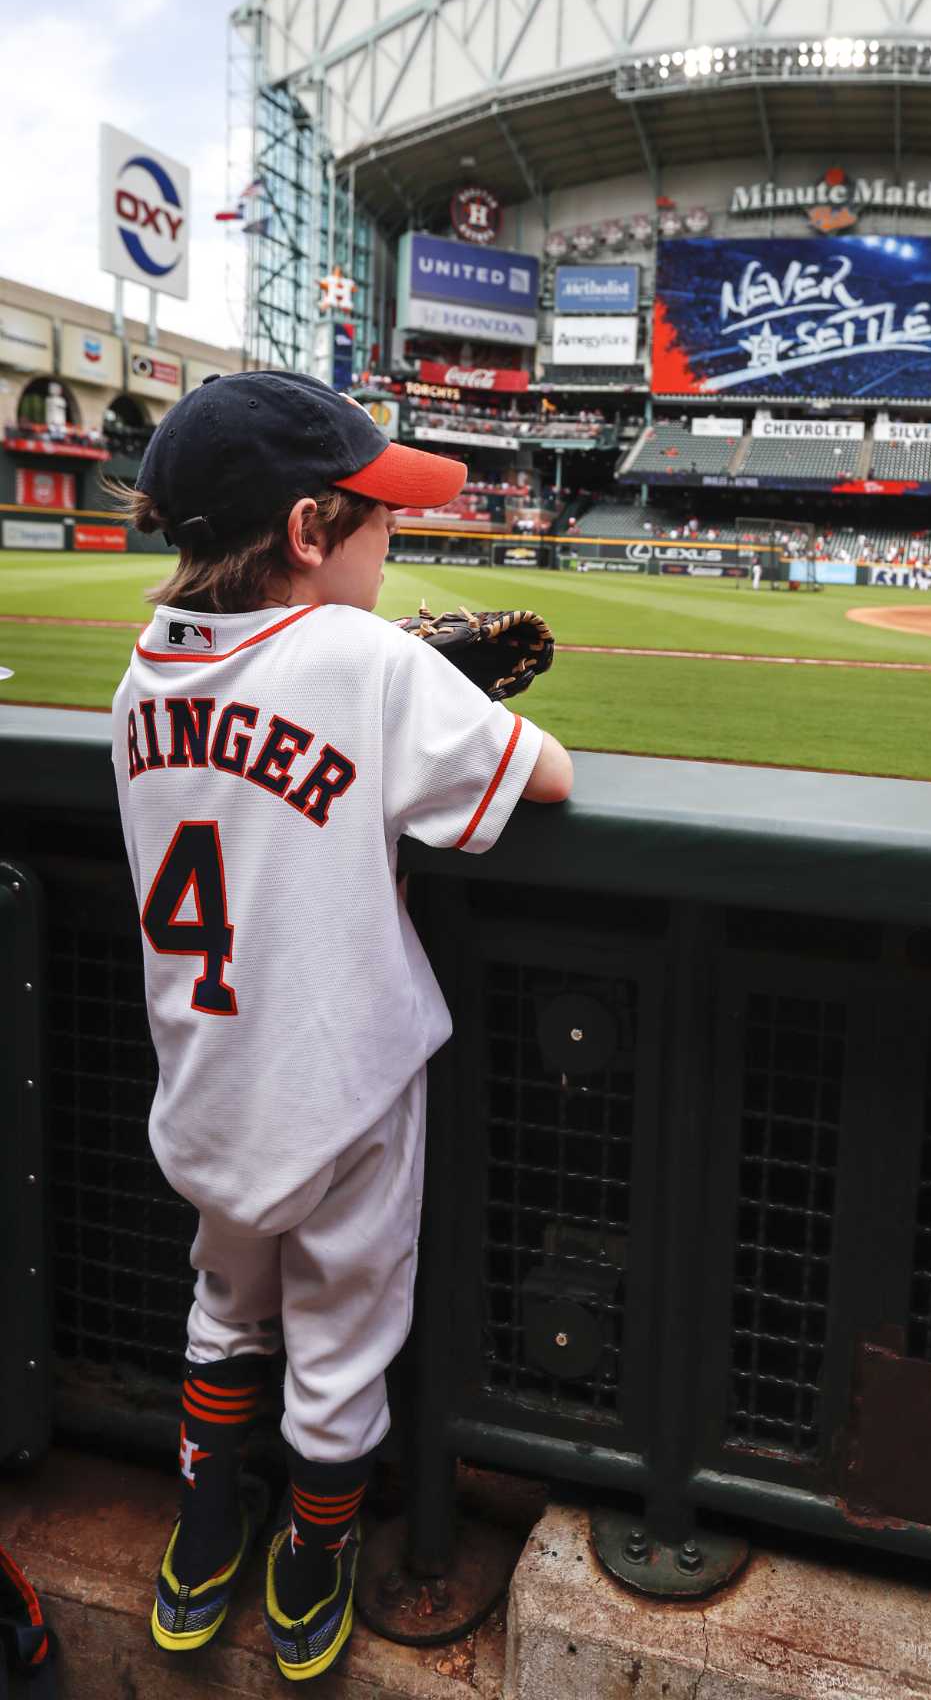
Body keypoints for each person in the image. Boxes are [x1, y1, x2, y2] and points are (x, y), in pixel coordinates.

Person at [108, 372, 572, 1682]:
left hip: (205, 1088)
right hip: (345, 1093)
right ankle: (309, 1560)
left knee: (225, 1306)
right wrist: (426, 677)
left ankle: (202, 1542)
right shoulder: (365, 659)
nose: (395, 541)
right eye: (378, 520)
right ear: (310, 533)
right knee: (342, 1347)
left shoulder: (140, 680)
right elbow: (549, 777)